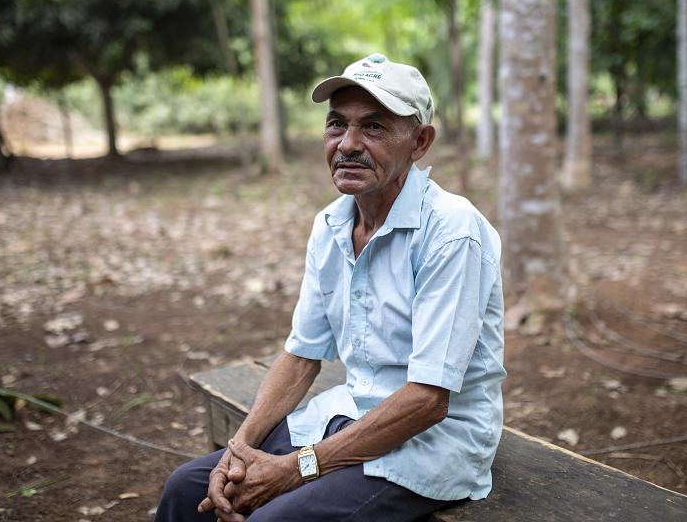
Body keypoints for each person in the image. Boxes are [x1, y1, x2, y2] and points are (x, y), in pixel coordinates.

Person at [155, 53, 506, 521]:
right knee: (185, 490)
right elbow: (302, 355)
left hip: (432, 444)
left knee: (271, 519)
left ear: (419, 142)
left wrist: (293, 469)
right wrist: (238, 450)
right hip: (347, 413)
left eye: (375, 127)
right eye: (336, 125)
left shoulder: (452, 231)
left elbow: (427, 400)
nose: (348, 144)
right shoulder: (332, 224)